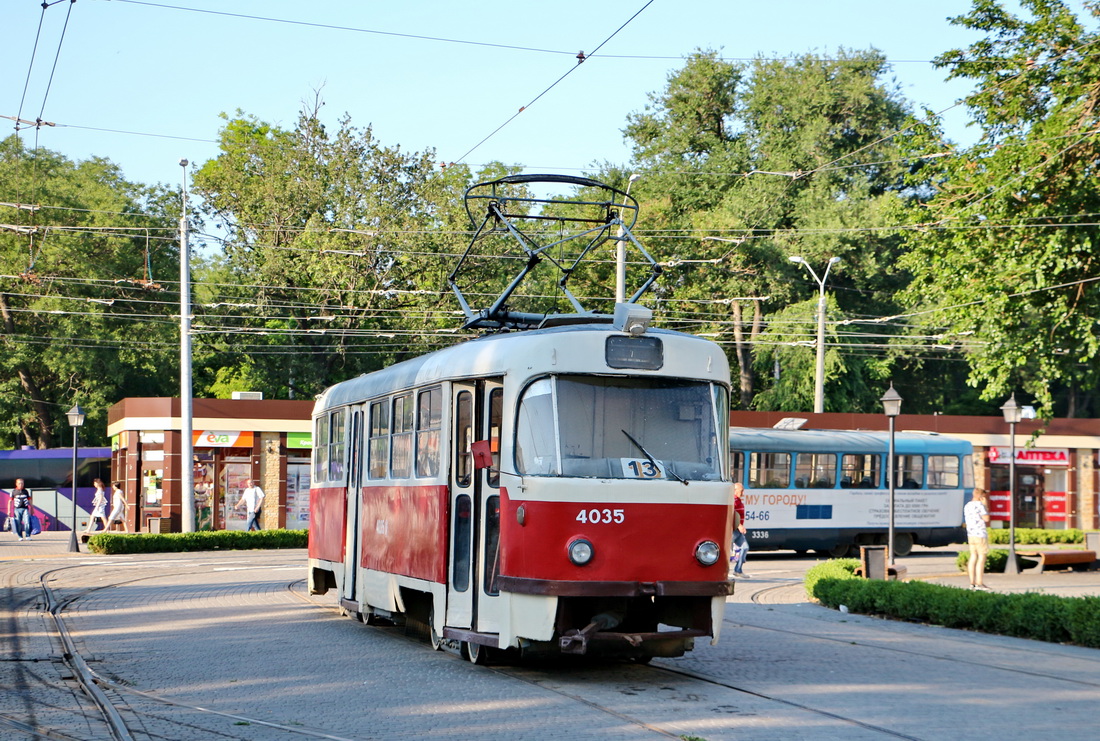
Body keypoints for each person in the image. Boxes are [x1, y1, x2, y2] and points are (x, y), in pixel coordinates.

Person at [963, 487, 991, 591]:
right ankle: (979, 583)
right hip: (980, 534)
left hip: (971, 534)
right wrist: (985, 506)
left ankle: (972, 583)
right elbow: (986, 519)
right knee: (981, 558)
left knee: (973, 556)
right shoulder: (980, 505)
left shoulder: (967, 505)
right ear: (981, 496)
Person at [731, 482, 750, 578]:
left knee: (744, 547)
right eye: (741, 490)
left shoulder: (738, 500)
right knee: (726, 551)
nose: (743, 493)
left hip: (738, 531)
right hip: (733, 530)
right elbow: (732, 514)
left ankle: (738, 570)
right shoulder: (734, 501)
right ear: (735, 491)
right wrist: (739, 526)